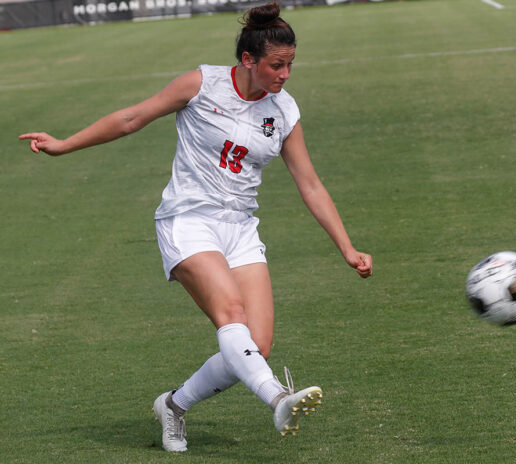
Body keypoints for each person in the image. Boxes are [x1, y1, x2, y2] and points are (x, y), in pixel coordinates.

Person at [19, 1, 373, 453]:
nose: (285, 75)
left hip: (240, 228)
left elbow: (310, 184)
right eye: (276, 65)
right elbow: (132, 117)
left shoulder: (283, 110)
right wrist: (63, 145)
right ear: (248, 60)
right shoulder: (202, 84)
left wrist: (345, 247)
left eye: (290, 65)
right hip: (188, 219)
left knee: (256, 348)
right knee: (232, 316)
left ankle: (174, 405)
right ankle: (278, 398)